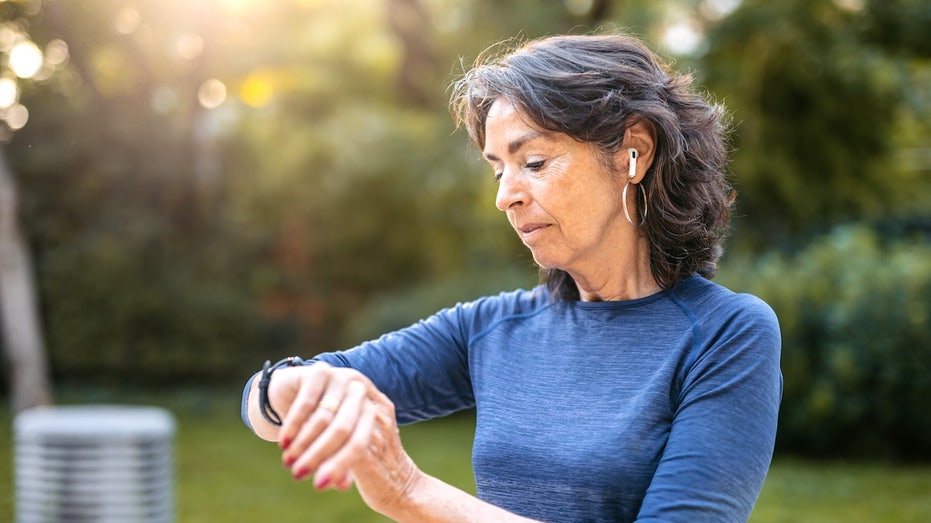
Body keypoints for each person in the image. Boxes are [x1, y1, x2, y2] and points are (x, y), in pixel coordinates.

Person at [241, 31, 782, 523]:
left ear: (633, 152)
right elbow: (263, 401)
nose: (505, 196)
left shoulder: (726, 334)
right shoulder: (493, 328)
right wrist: (302, 388)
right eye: (498, 170)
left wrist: (410, 492)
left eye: (534, 163)